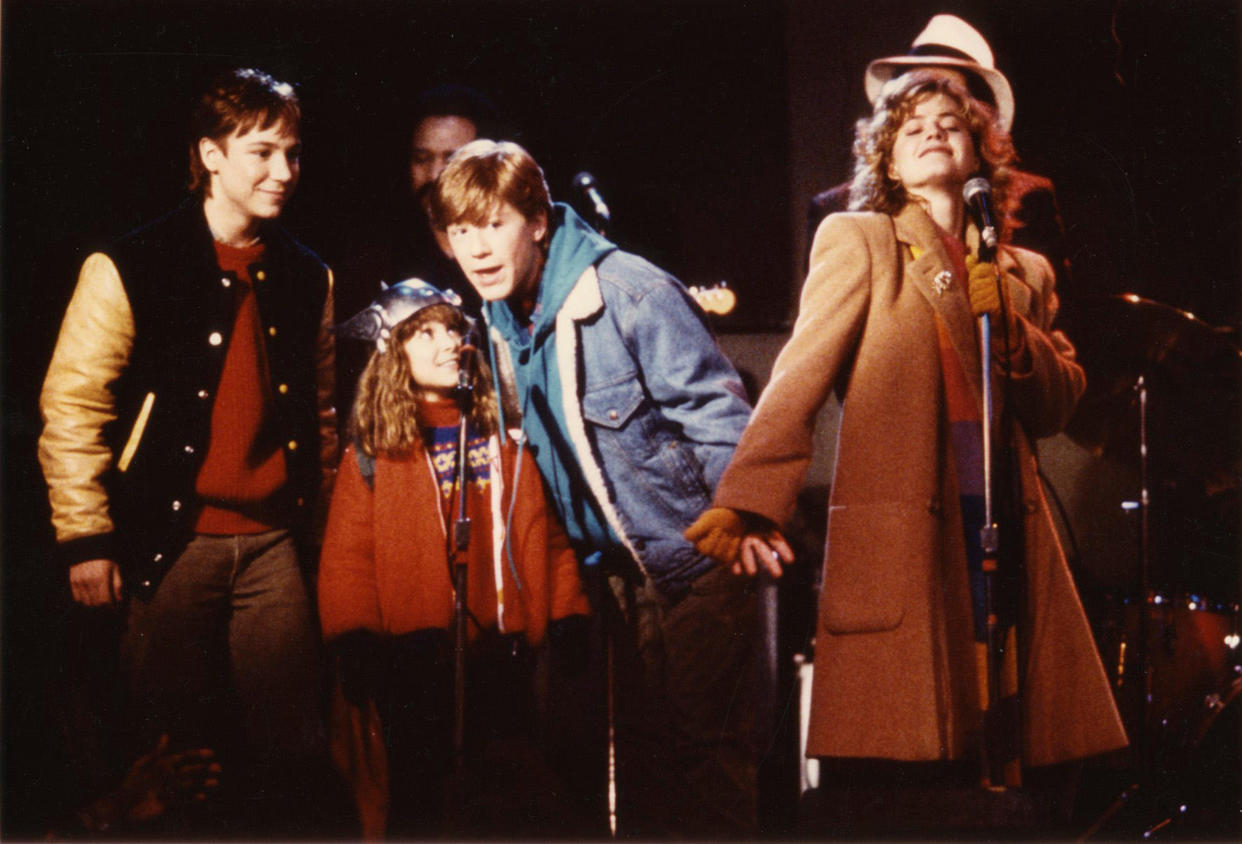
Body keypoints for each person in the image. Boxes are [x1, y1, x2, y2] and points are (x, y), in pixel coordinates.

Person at [687, 71, 1127, 829]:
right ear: (887, 162)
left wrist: (1011, 325)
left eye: (950, 122)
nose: (931, 130)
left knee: (1012, 755)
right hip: (911, 528)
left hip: (1004, 525)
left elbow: (1058, 403)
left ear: (982, 155)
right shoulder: (859, 240)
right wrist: (750, 498)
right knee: (917, 771)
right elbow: (799, 373)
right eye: (911, 125)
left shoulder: (1027, 274)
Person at [429, 139, 759, 837]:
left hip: (690, 558)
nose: (477, 248)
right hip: (605, 573)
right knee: (635, 764)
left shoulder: (627, 291)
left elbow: (717, 409)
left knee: (708, 762)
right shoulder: (497, 314)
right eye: (462, 230)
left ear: (539, 222)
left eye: (494, 224)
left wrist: (741, 510)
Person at [38, 67, 338, 835]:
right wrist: (86, 537)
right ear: (210, 154)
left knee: (292, 754)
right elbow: (73, 408)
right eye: (263, 151)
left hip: (272, 546)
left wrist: (324, 536)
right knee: (173, 761)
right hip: (169, 542)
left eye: (294, 154)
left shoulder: (308, 275)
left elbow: (323, 417)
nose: (283, 171)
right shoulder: (131, 265)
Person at [317, 279, 590, 838]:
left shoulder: (504, 435)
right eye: (425, 333)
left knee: (506, 795)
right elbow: (348, 555)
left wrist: (566, 611)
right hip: (415, 657)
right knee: (420, 797)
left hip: (500, 650)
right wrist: (354, 636)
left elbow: (547, 537)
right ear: (394, 352)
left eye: (452, 329)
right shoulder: (374, 451)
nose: (447, 343)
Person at [807, 14, 1071, 290]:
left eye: (949, 113)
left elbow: (1057, 320)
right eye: (915, 121)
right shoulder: (837, 216)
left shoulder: (1030, 221)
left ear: (976, 126)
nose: (934, 131)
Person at [335, 86, 498, 422]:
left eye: (452, 159)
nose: (436, 175)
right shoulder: (380, 263)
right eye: (422, 159)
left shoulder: (504, 257)